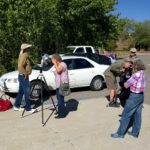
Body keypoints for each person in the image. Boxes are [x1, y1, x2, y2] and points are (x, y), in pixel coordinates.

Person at [111, 59, 146, 138]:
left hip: (134, 97)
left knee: (126, 115)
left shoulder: (136, 75)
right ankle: (135, 133)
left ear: (136, 66)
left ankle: (120, 134)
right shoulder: (143, 73)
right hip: (141, 96)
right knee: (137, 115)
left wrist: (122, 74)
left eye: (134, 66)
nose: (132, 67)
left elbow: (126, 85)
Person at [14, 43, 36, 113]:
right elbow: (20, 66)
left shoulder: (23, 54)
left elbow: (27, 63)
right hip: (23, 76)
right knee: (27, 92)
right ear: (25, 49)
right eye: (28, 47)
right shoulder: (24, 55)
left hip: (21, 76)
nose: (30, 49)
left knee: (21, 91)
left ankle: (16, 106)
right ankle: (28, 108)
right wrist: (25, 73)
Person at [51, 54, 69, 119]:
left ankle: (62, 114)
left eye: (53, 59)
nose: (52, 61)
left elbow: (58, 71)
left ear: (56, 59)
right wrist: (55, 65)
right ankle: (60, 111)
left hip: (62, 84)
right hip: (58, 85)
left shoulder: (63, 64)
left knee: (60, 100)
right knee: (59, 99)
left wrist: (55, 63)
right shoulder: (58, 65)